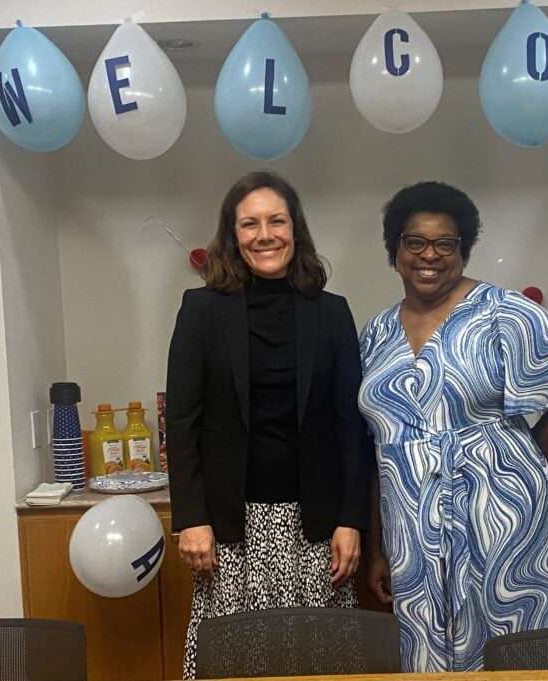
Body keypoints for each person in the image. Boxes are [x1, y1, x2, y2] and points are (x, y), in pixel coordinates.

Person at [358, 181, 548, 672]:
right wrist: (376, 547)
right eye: (415, 241)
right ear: (394, 249)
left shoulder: (500, 311)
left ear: (464, 249)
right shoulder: (376, 333)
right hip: (411, 527)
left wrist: (535, 441)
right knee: (422, 653)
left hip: (499, 510)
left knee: (514, 642)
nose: (430, 255)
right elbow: (376, 448)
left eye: (446, 243)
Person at [167, 171, 372, 679]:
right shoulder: (201, 311)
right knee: (237, 662)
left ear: (295, 229)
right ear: (232, 235)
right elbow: (182, 420)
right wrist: (190, 518)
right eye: (249, 224)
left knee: (316, 660)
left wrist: (352, 519)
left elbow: (351, 425)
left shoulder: (332, 313)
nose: (264, 235)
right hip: (230, 528)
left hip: (316, 528)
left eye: (276, 221)